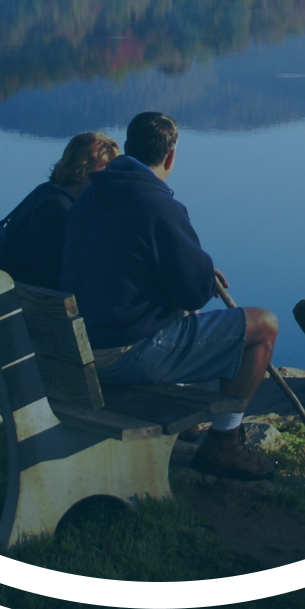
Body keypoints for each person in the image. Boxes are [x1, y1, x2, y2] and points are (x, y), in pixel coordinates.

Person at [61, 112, 279, 480]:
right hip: (123, 356)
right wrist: (204, 277)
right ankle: (224, 442)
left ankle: (194, 427)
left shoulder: (89, 197)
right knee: (263, 326)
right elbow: (192, 293)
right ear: (171, 156)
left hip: (76, 346)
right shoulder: (158, 206)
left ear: (126, 149)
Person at [3, 132, 120, 289]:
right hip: (42, 305)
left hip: (20, 294)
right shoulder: (63, 213)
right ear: (82, 168)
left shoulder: (44, 192)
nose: (111, 180)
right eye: (104, 169)